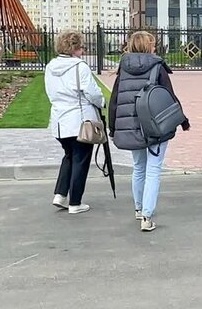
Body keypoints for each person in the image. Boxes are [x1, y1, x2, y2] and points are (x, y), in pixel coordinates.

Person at [108, 31, 190, 232]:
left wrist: (113, 126)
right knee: (154, 169)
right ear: (147, 46)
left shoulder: (123, 68)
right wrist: (183, 120)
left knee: (139, 166)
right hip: (154, 124)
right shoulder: (157, 66)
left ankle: (138, 208)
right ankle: (147, 215)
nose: (155, 47)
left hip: (132, 126)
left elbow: (115, 99)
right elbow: (168, 96)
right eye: (153, 44)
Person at [44, 30, 104, 214]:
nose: (83, 51)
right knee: (81, 159)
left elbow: (50, 92)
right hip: (79, 120)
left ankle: (60, 194)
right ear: (75, 48)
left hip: (60, 120)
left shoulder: (51, 66)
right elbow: (92, 92)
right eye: (81, 47)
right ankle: (75, 202)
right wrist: (102, 102)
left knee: (69, 156)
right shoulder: (80, 67)